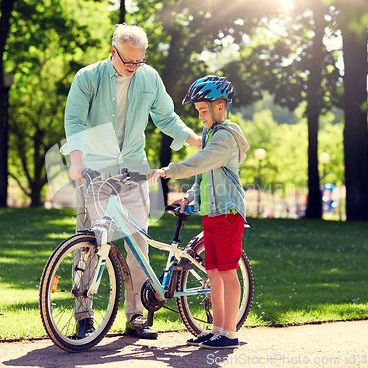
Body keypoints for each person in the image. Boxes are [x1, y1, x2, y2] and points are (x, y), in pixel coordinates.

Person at [60, 24, 202, 340]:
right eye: (129, 63)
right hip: (95, 173)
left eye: (139, 61)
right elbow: (75, 121)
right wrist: (77, 159)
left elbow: (167, 117)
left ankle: (135, 316)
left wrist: (195, 141)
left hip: (134, 172)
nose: (135, 68)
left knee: (138, 245)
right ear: (114, 53)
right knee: (90, 243)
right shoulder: (88, 78)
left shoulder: (148, 77)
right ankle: (84, 315)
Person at [147, 75, 249, 349]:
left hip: (228, 212)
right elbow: (205, 177)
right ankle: (216, 329)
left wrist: (170, 170)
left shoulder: (225, 136)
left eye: (203, 110)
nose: (200, 116)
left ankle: (229, 334)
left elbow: (202, 162)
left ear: (219, 106)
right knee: (213, 272)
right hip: (212, 212)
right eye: (198, 111)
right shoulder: (209, 133)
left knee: (228, 273)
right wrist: (190, 197)